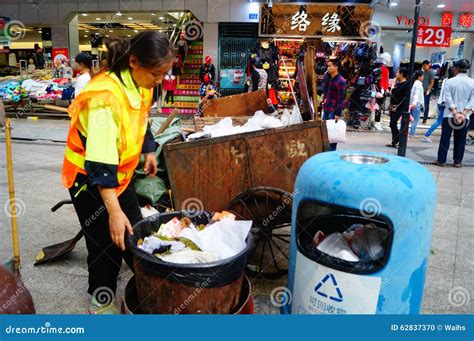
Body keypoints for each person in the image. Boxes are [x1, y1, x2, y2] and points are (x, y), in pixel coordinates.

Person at [62, 31, 174, 314]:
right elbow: (100, 163)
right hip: (88, 180)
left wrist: (148, 149)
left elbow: (142, 118)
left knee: (133, 231)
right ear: (134, 62)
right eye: (157, 73)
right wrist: (112, 211)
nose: (160, 80)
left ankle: (149, 283)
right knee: (104, 244)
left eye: (164, 73)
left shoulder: (141, 84)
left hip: (118, 178)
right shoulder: (104, 97)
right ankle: (101, 300)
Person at [435, 59, 474, 168]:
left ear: (456, 69)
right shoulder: (472, 82)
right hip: (465, 117)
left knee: (445, 138)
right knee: (461, 139)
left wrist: (455, 112)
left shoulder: (450, 82)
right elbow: (473, 100)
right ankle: (457, 161)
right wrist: (464, 113)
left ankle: (441, 160)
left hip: (449, 115)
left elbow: (447, 98)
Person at [421, 72, 454, 143]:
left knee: (442, 121)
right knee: (442, 121)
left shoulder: (445, 80)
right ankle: (426, 135)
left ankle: (444, 136)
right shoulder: (450, 82)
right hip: (444, 104)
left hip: (441, 103)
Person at [323, 58, 347, 151]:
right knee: (326, 132)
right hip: (327, 108)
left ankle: (332, 152)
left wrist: (338, 113)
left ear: (336, 67)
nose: (328, 68)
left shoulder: (341, 81)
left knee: (332, 134)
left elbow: (341, 99)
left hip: (333, 111)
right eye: (327, 66)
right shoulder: (329, 78)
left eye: (330, 66)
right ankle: (326, 151)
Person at [386, 68, 410, 148]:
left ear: (402, 74)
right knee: (392, 124)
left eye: (397, 72)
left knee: (393, 123)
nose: (396, 74)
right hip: (394, 106)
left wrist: (392, 85)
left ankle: (400, 140)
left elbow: (394, 92)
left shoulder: (405, 84)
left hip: (400, 107)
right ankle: (394, 141)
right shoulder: (399, 83)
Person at [409, 71, 424, 138]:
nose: (423, 77)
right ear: (419, 77)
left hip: (414, 103)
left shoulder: (416, 83)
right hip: (416, 103)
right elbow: (417, 94)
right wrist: (415, 103)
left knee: (414, 118)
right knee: (416, 119)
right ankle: (412, 132)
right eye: (422, 76)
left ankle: (412, 132)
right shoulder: (418, 84)